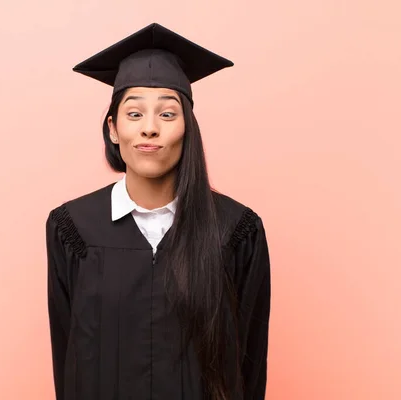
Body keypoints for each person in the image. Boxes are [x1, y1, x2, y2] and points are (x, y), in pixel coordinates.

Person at [46, 23, 271, 400]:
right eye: (134, 114)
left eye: (167, 114)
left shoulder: (235, 231)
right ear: (113, 129)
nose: (149, 129)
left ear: (188, 129)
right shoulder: (74, 229)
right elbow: (67, 357)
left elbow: (249, 362)